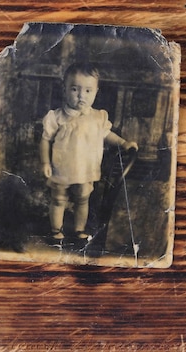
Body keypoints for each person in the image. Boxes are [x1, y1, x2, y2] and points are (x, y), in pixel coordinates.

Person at [40, 62, 138, 241]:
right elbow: (45, 140)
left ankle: (79, 229)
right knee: (59, 199)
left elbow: (107, 134)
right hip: (62, 167)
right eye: (75, 89)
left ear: (96, 92)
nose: (80, 96)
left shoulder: (98, 117)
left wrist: (123, 143)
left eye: (87, 91)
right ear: (64, 89)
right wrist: (45, 162)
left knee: (83, 198)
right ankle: (56, 231)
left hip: (85, 168)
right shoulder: (57, 116)